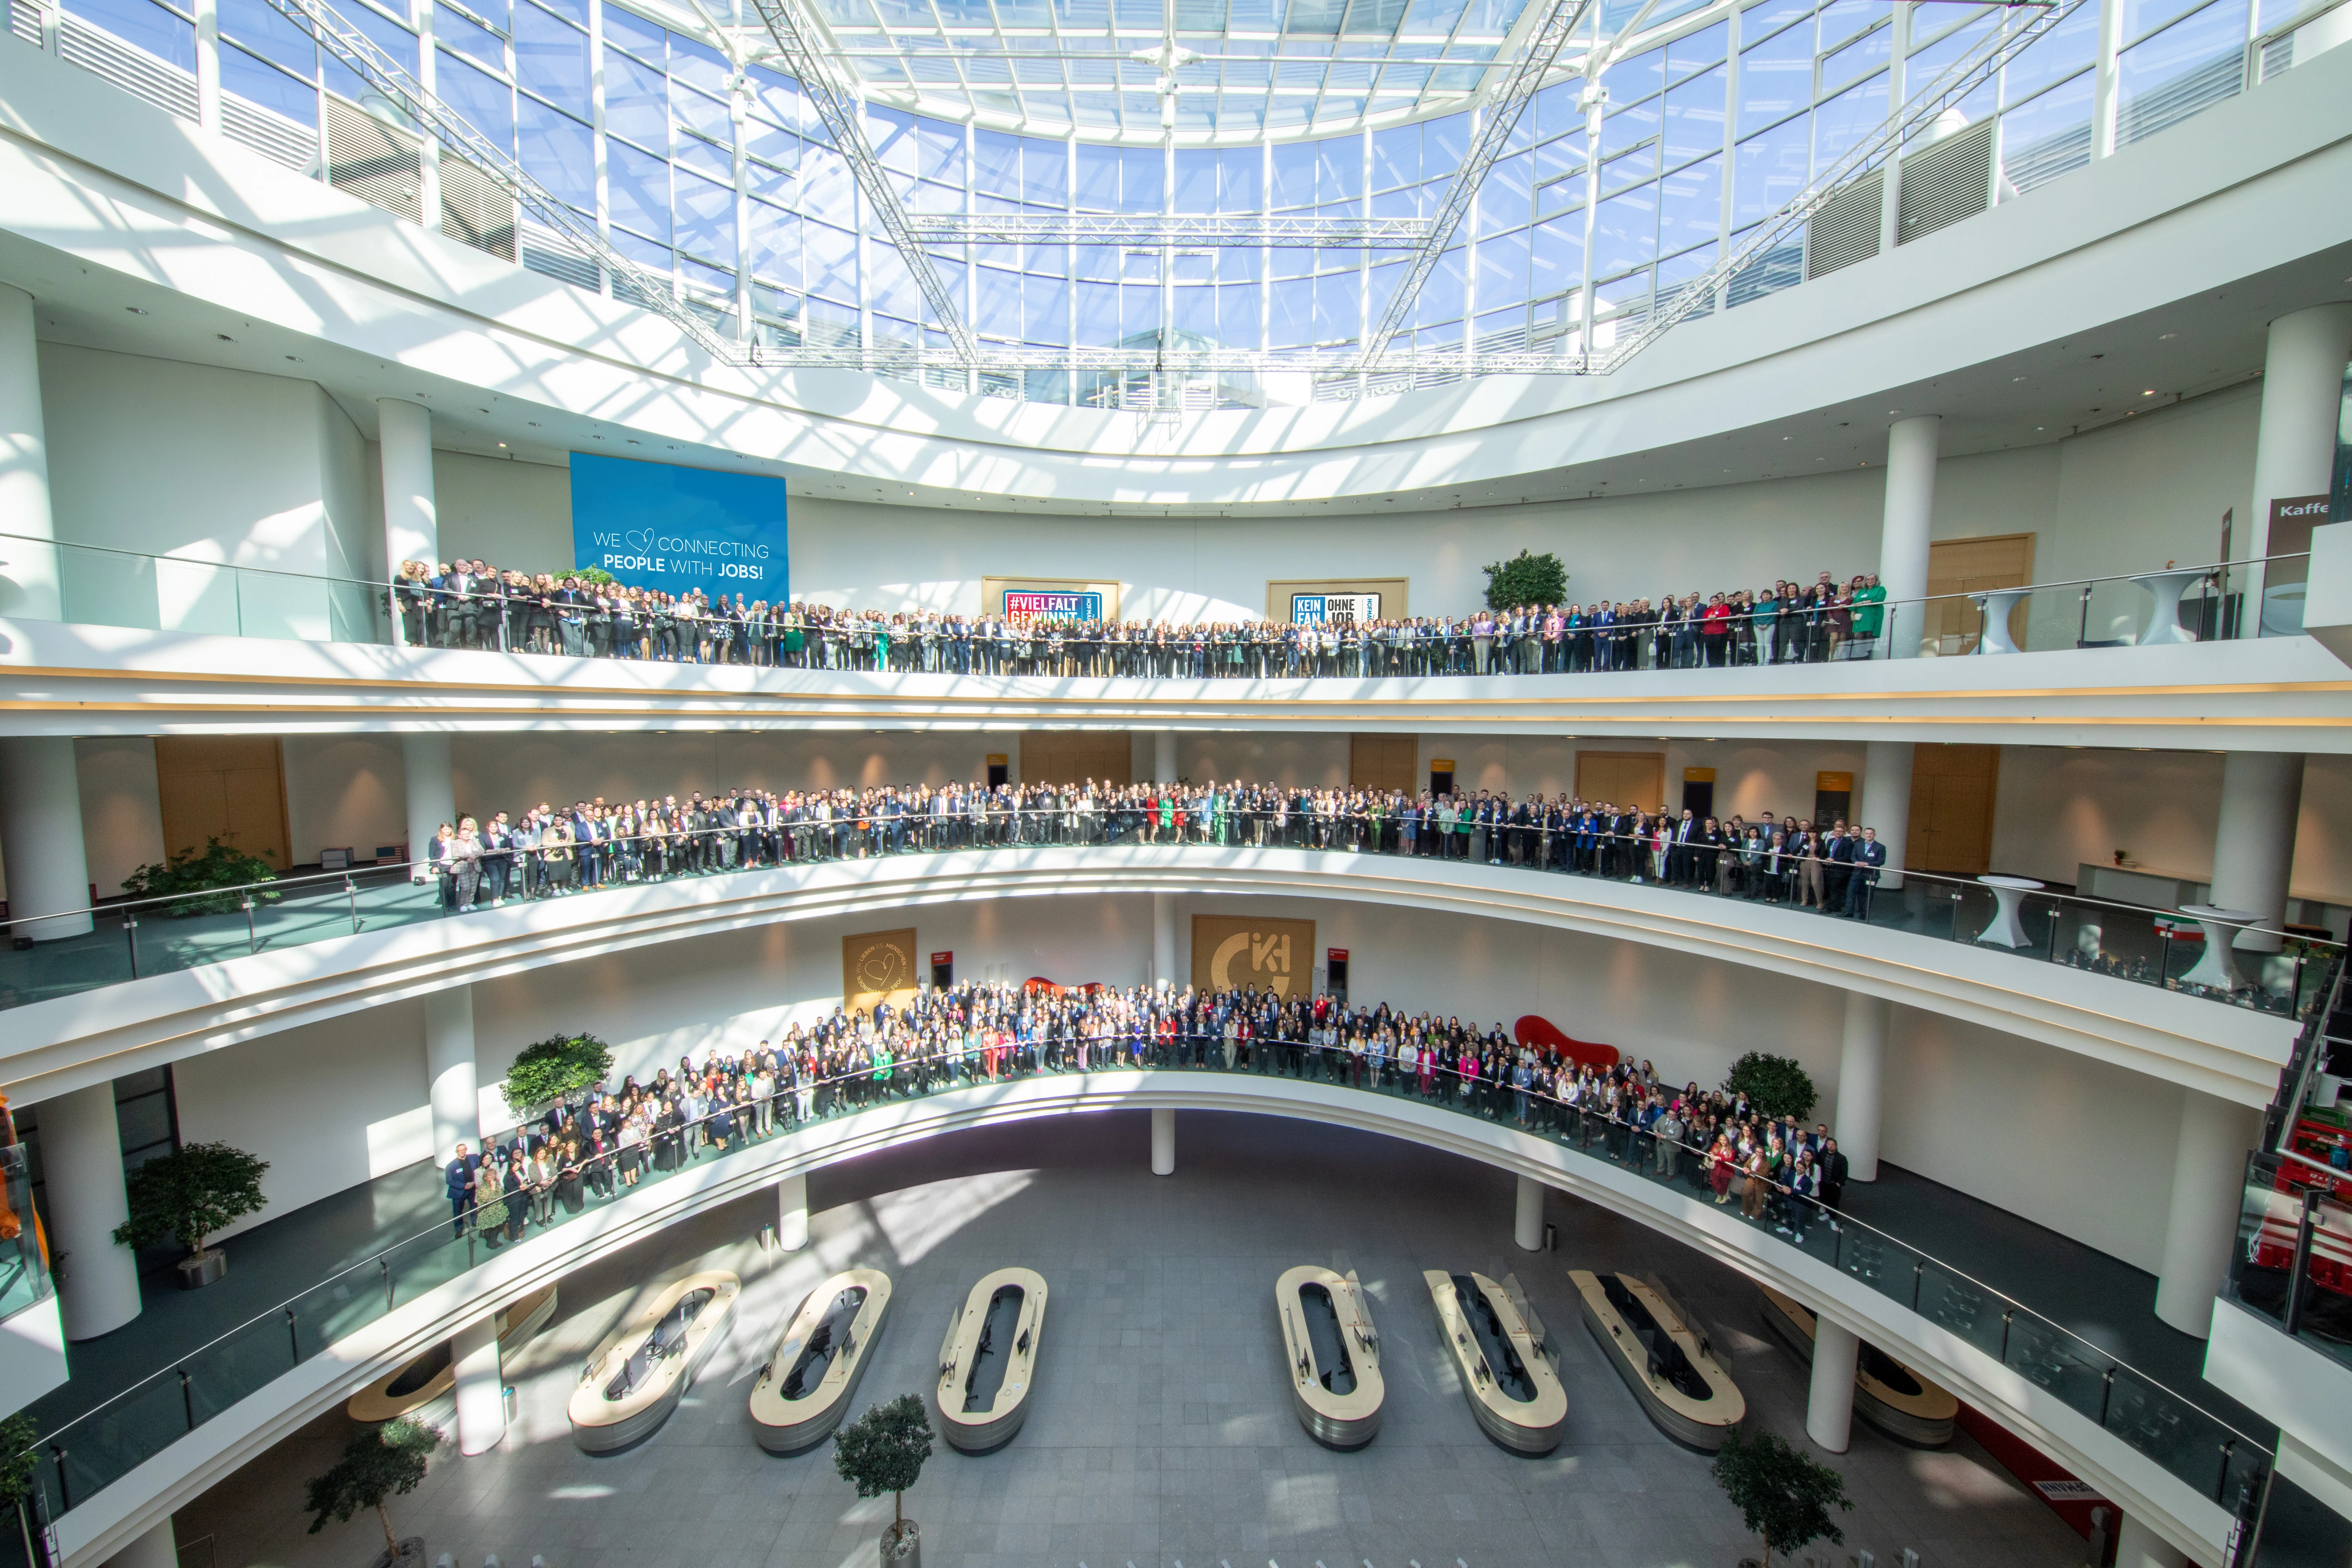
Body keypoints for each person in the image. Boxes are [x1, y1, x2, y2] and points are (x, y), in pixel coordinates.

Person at [1844, 826, 1886, 919]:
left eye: (1871, 834)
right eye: (1867, 833)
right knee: (1851, 892)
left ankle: (1864, 914)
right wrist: (1856, 862)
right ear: (1864, 834)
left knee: (1867, 894)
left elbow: (1881, 861)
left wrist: (1867, 864)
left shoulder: (1881, 847)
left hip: (1871, 875)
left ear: (1875, 835)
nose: (1869, 835)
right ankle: (1849, 912)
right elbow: (1853, 856)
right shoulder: (1858, 845)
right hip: (1857, 873)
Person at [444, 1141, 478, 1239]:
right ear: (457, 1152)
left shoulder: (474, 1158)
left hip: (473, 1189)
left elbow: (479, 1170)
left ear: (466, 1149)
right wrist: (464, 1185)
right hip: (458, 1192)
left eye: (464, 1150)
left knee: (474, 1206)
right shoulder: (451, 1166)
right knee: (457, 1211)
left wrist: (473, 1183)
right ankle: (459, 1230)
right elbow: (449, 1181)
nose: (462, 1152)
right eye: (460, 1151)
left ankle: (475, 1222)